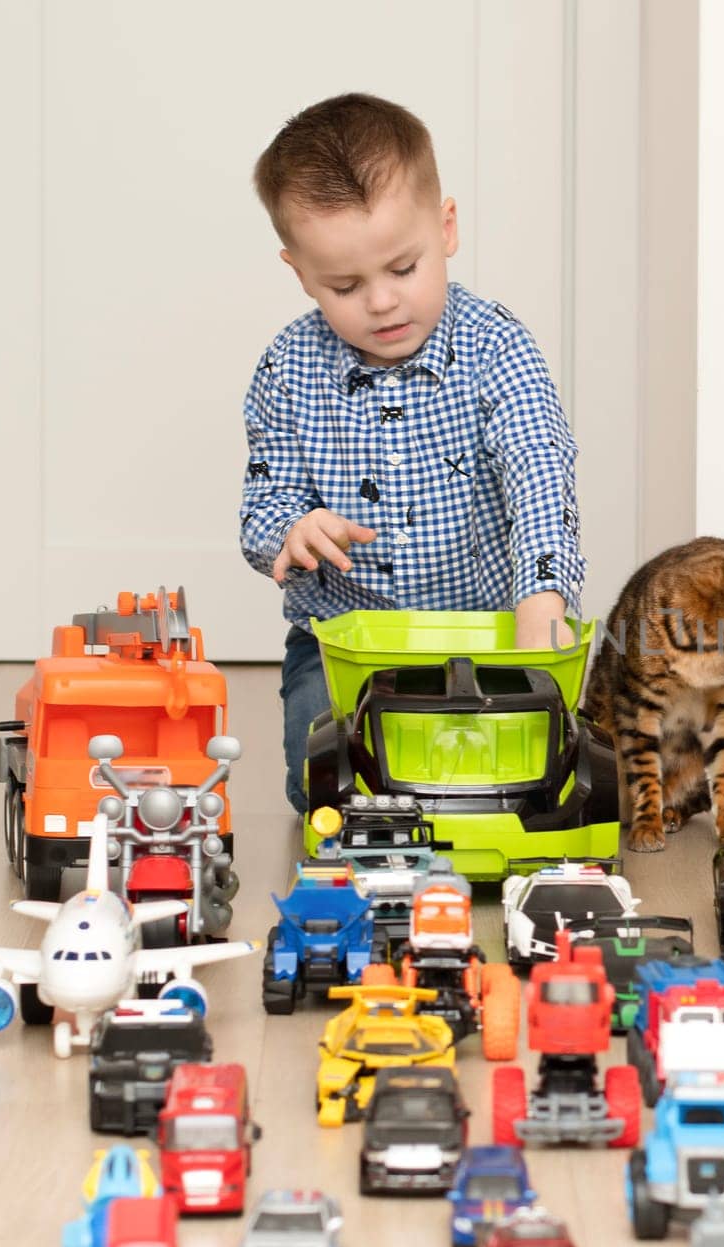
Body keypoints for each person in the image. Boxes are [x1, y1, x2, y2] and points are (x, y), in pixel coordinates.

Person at [239, 94, 584, 812]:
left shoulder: (497, 348)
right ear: (299, 272)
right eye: (345, 285)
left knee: (523, 775)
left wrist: (541, 598)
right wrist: (291, 530)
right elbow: (263, 505)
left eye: (403, 267)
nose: (382, 302)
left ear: (446, 228)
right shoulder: (286, 370)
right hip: (344, 645)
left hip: (486, 631)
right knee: (321, 786)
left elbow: (539, 471)